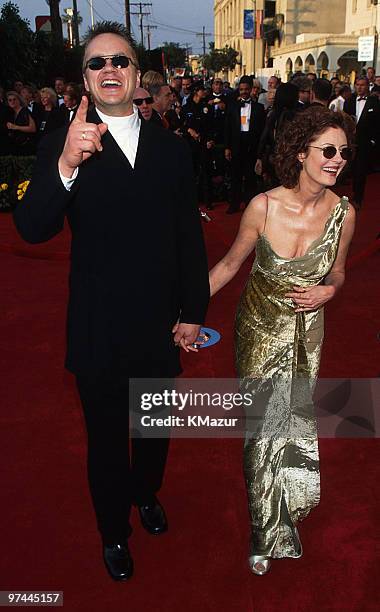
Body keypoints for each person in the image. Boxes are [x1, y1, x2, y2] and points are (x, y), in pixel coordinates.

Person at [13, 21, 209, 582]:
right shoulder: (64, 140)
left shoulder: (171, 151)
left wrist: (193, 311)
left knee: (152, 432)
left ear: (137, 73)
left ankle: (145, 494)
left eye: (119, 61)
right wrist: (66, 167)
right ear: (84, 80)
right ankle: (112, 532)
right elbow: (31, 228)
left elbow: (187, 240)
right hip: (98, 327)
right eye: (97, 64)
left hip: (158, 325)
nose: (109, 71)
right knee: (105, 443)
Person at [209, 106, 355, 575]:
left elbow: (339, 271)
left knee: (292, 420)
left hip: (307, 332)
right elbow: (231, 265)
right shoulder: (264, 206)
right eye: (328, 150)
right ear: (299, 153)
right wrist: (184, 312)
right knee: (262, 428)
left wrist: (329, 290)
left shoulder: (344, 214)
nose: (337, 160)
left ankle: (287, 496)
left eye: (344, 153)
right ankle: (264, 525)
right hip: (258, 328)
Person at [224, 76, 266, 214]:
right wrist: (227, 147)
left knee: (250, 177)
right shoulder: (232, 107)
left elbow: (262, 130)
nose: (243, 92)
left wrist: (260, 151)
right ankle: (234, 204)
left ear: (251, 89)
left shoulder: (259, 108)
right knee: (235, 176)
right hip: (236, 144)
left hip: (251, 145)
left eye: (246, 89)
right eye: (241, 89)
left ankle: (250, 205)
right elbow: (227, 128)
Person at [343, 76, 380, 207]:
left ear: (368, 86)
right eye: (357, 84)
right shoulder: (349, 101)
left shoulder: (374, 102)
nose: (359, 87)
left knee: (361, 170)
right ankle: (346, 196)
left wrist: (373, 141)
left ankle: (358, 198)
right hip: (349, 142)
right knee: (348, 170)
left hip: (365, 142)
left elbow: (378, 123)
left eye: (362, 85)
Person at [6, 90, 36, 155]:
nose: (12, 102)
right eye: (10, 100)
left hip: (27, 145)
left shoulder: (25, 111)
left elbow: (33, 128)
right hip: (16, 146)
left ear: (19, 100)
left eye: (14, 99)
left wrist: (16, 127)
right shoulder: (11, 113)